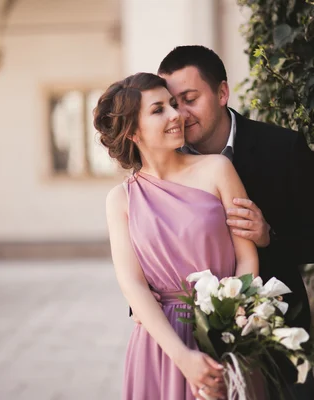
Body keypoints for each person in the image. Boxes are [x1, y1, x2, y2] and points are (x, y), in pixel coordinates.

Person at [157, 45, 314, 399]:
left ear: (221, 92)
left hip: (276, 337)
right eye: (171, 104)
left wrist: (270, 237)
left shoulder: (283, 148)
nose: (180, 115)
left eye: (189, 99)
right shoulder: (165, 166)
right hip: (193, 346)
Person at [96, 72, 260, 400]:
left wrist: (230, 334)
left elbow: (246, 255)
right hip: (161, 344)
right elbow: (133, 285)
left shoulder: (217, 169)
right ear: (131, 130)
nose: (177, 115)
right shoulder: (121, 200)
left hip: (228, 329)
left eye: (173, 104)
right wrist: (183, 358)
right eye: (159, 110)